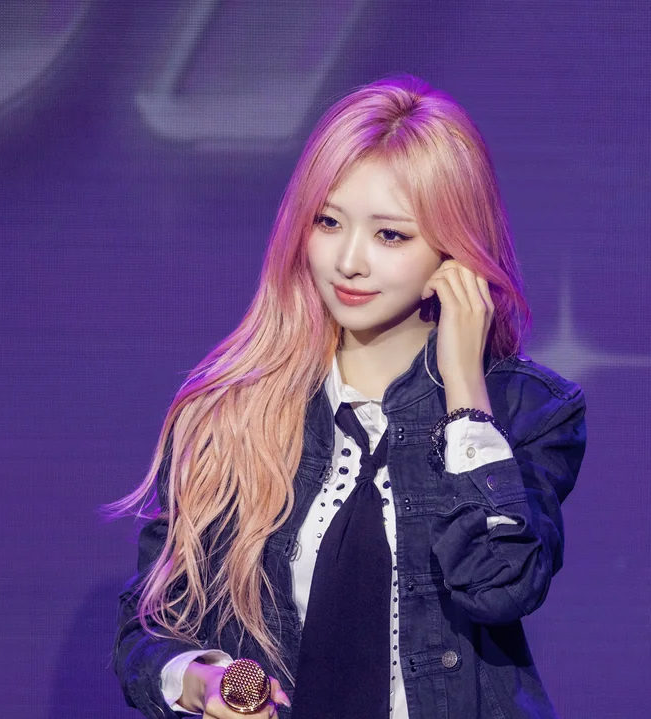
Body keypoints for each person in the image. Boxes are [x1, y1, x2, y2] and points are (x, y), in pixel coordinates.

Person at [108, 74, 587, 719]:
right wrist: (201, 680)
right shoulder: (232, 414)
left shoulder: (528, 410)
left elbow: (499, 585)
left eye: (391, 235)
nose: (349, 260)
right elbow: (149, 629)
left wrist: (465, 394)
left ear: (453, 250)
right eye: (328, 222)